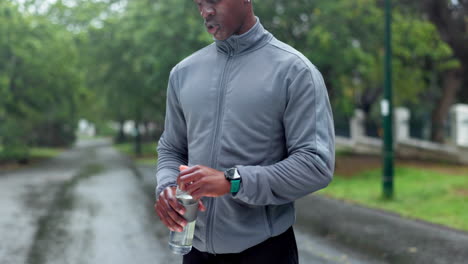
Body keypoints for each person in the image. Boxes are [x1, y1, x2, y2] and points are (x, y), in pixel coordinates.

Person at [154, 0, 335, 263]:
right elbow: (172, 148)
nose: (206, 12)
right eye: (199, 3)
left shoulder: (295, 71)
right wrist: (167, 186)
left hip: (266, 251)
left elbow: (315, 164)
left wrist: (233, 181)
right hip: (195, 252)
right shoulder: (183, 73)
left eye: (214, 1)